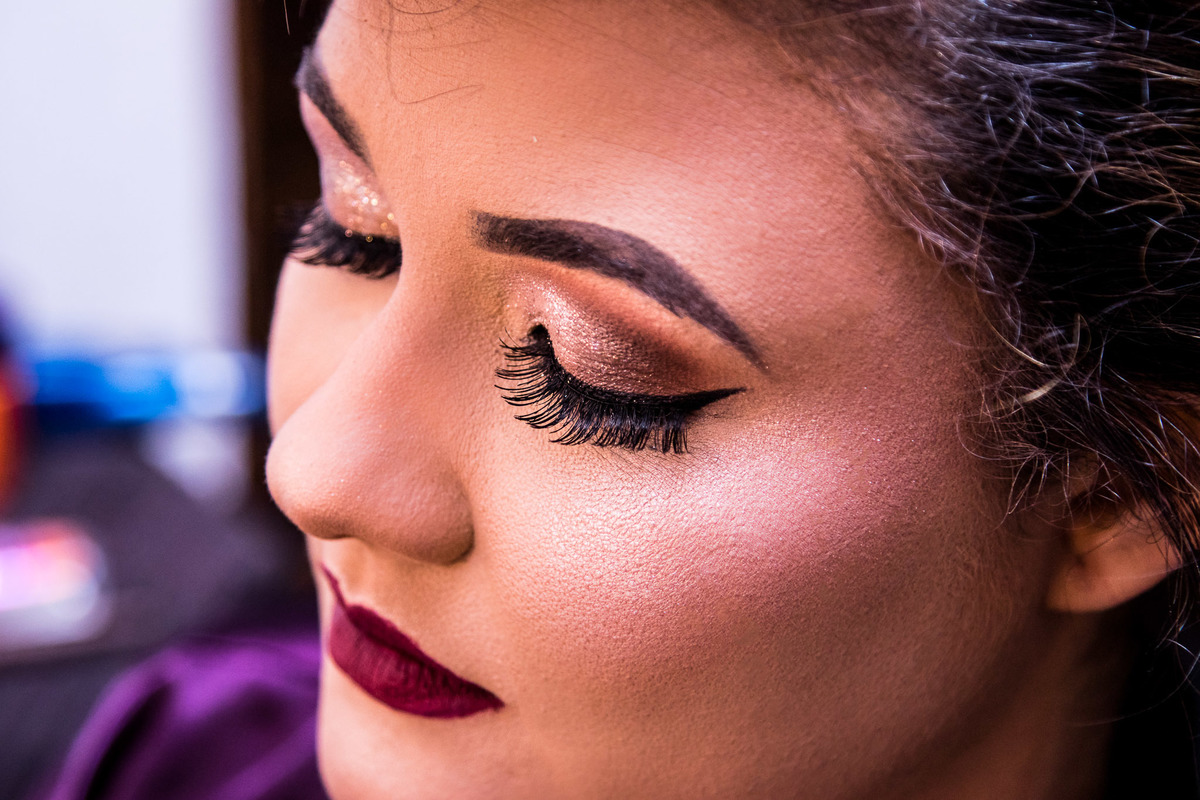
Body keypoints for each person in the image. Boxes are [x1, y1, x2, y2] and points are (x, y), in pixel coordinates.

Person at [45, 1, 1200, 798]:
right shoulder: (185, 757)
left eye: (584, 368)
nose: (310, 469)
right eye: (357, 230)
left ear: (1117, 486)